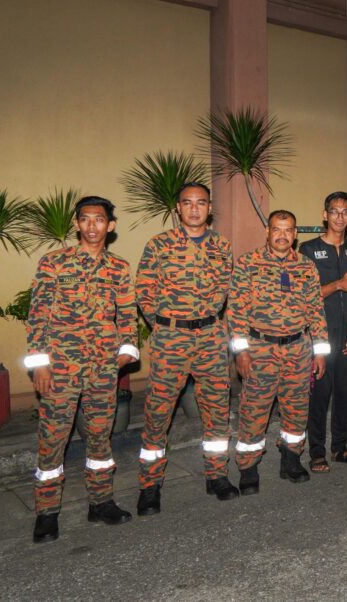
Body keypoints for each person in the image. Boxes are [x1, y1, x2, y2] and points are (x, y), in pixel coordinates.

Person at [25, 196, 139, 543]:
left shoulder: (119, 267)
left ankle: (101, 502)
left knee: (101, 437)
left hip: (103, 368)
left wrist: (125, 353)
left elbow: (127, 314)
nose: (92, 226)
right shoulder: (54, 262)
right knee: (53, 439)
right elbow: (38, 315)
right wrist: (40, 364)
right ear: (76, 224)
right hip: (60, 368)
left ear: (110, 226)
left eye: (99, 219)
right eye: (85, 219)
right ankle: (47, 512)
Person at [136, 182, 238, 515]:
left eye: (201, 203)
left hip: (210, 337)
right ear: (178, 208)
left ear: (209, 207)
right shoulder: (159, 244)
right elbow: (144, 290)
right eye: (188, 203)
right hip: (171, 339)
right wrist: (164, 325)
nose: (195, 209)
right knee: (158, 412)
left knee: (217, 409)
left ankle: (217, 475)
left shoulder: (222, 245)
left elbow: (226, 289)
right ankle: (150, 485)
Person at [229, 210, 330, 493]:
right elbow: (236, 311)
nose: (282, 235)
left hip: (298, 348)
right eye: (277, 229)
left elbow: (316, 310)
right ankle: (248, 467)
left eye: (288, 230)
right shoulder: (248, 263)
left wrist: (320, 351)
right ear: (268, 231)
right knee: (254, 409)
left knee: (297, 408)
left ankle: (291, 459)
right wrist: (241, 352)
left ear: (295, 234)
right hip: (260, 349)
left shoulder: (307, 266)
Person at [299, 192, 347, 471]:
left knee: (345, 392)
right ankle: (316, 452)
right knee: (319, 393)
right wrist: (338, 284)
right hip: (320, 334)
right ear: (325, 215)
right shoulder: (308, 250)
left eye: (345, 212)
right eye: (334, 211)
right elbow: (304, 295)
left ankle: (340, 447)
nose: (340, 217)